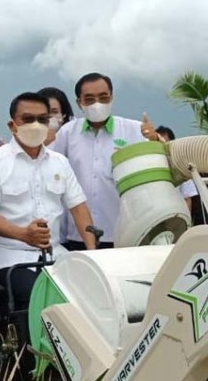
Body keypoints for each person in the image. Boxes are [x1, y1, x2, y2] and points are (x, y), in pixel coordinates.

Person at [0, 92, 95, 310]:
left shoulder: (60, 163)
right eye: (28, 119)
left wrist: (93, 254)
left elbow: (78, 208)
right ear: (12, 125)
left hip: (56, 254)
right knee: (42, 296)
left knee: (92, 292)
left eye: (42, 119)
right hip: (9, 258)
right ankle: (32, 345)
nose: (36, 125)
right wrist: (24, 235)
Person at [49, 72, 154, 250]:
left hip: (122, 231)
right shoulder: (67, 133)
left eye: (103, 97)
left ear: (111, 98)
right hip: (77, 233)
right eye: (89, 99)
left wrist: (155, 141)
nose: (97, 103)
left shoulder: (134, 130)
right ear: (79, 102)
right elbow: (50, 168)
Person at [156, 125, 199, 210]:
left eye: (165, 143)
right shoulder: (148, 166)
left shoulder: (181, 166)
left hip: (176, 215)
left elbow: (187, 198)